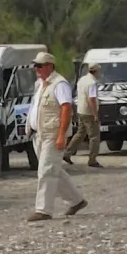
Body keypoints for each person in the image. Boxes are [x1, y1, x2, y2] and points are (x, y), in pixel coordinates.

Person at [25, 55, 86, 222]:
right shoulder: (40, 85)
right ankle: (77, 201)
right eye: (35, 66)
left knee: (46, 171)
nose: (36, 69)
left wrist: (61, 135)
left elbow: (66, 108)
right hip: (39, 134)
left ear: (49, 66)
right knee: (54, 170)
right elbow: (35, 106)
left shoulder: (59, 84)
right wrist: (29, 125)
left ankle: (43, 210)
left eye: (39, 66)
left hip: (52, 134)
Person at [71, 63, 103, 168]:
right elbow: (92, 99)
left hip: (80, 110)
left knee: (80, 133)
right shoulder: (92, 83)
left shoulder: (82, 80)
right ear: (96, 71)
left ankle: (67, 152)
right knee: (94, 136)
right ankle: (92, 159)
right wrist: (95, 114)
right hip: (89, 112)